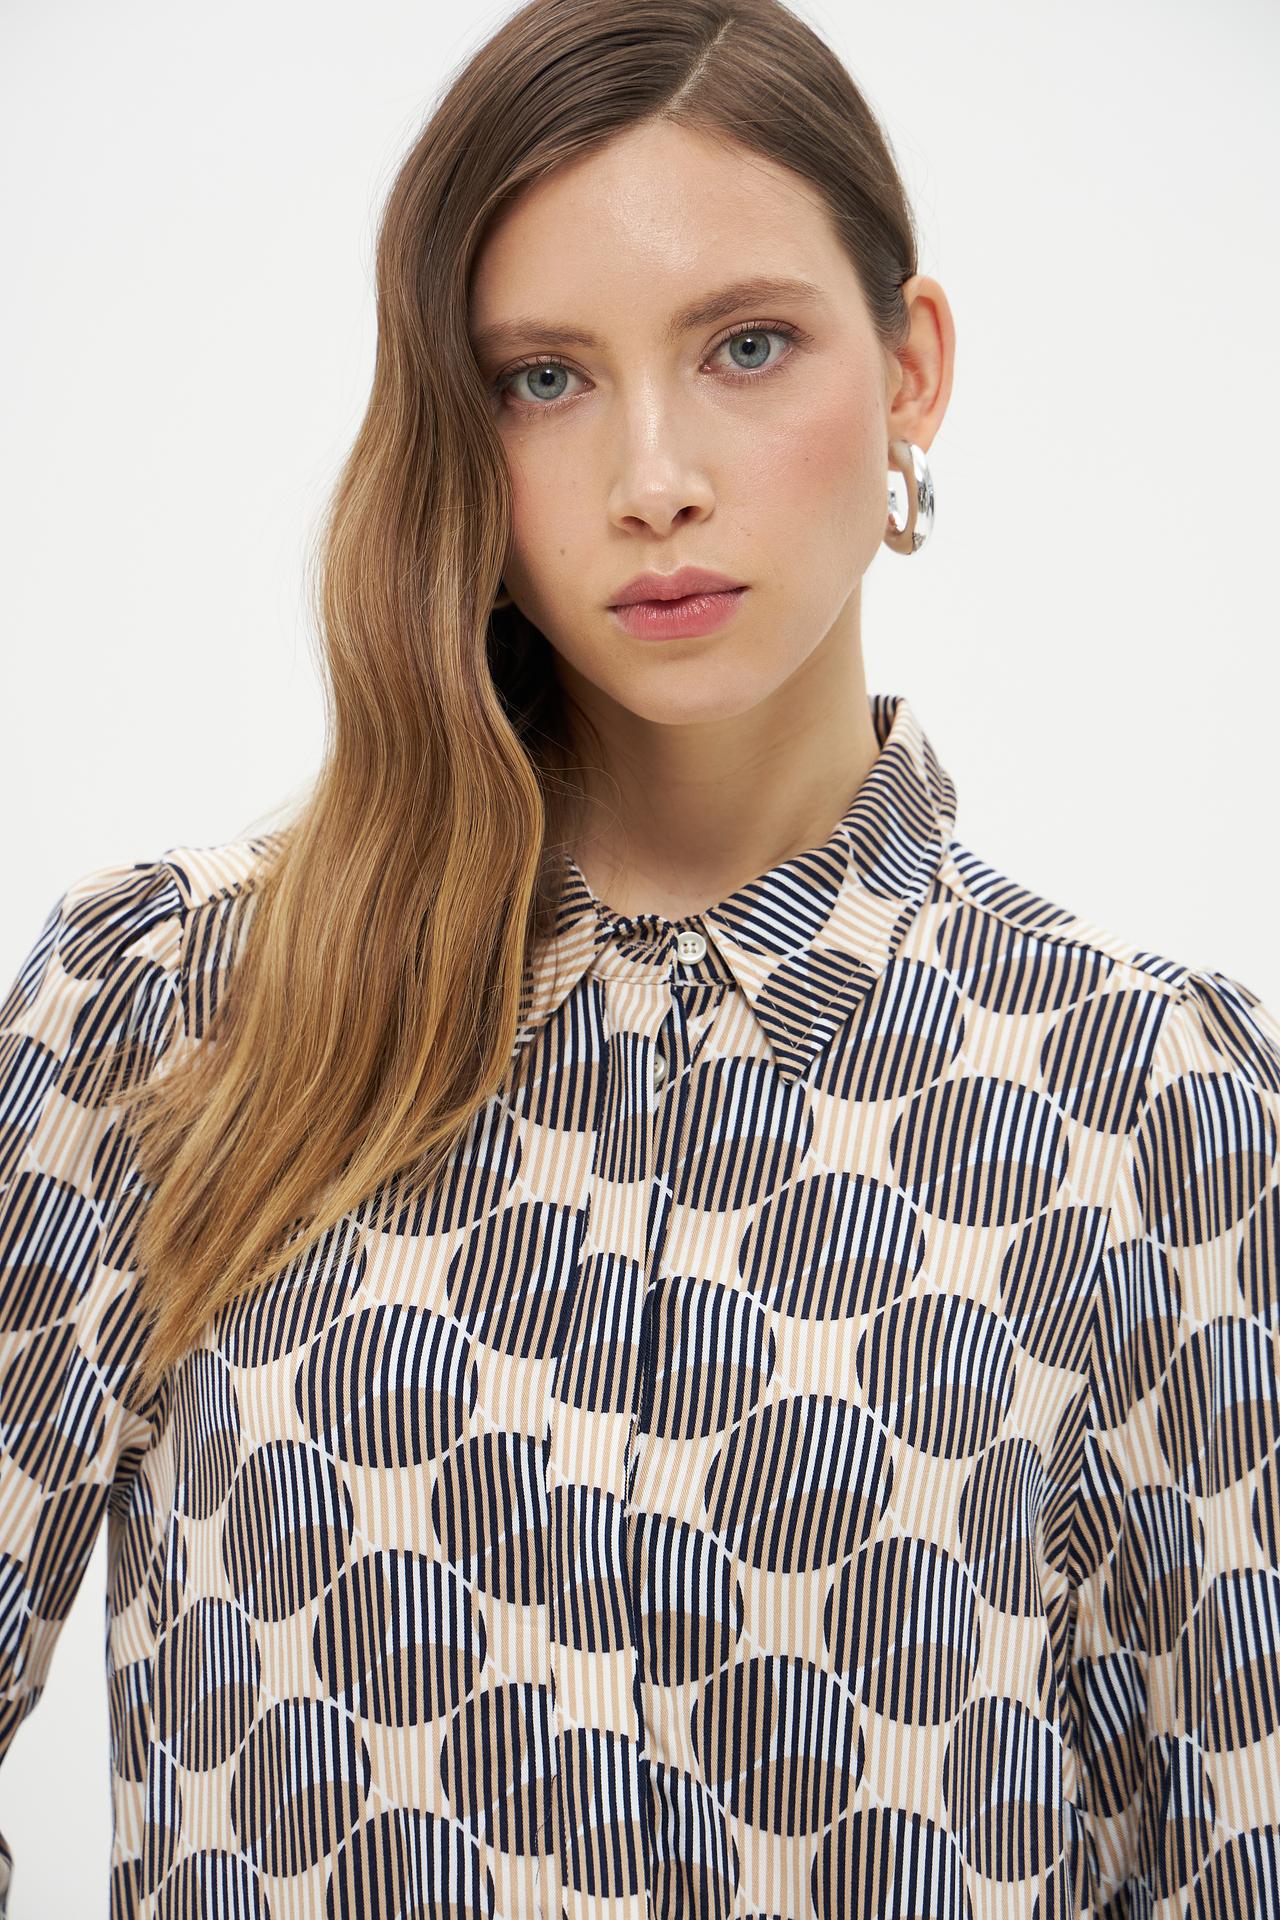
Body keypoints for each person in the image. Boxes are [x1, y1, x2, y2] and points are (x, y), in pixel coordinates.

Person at [2, 0, 1277, 1914]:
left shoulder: (1153, 1109)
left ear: (912, 369)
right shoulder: (178, 1005)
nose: (654, 476)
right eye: (545, 379)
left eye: (746, 346)